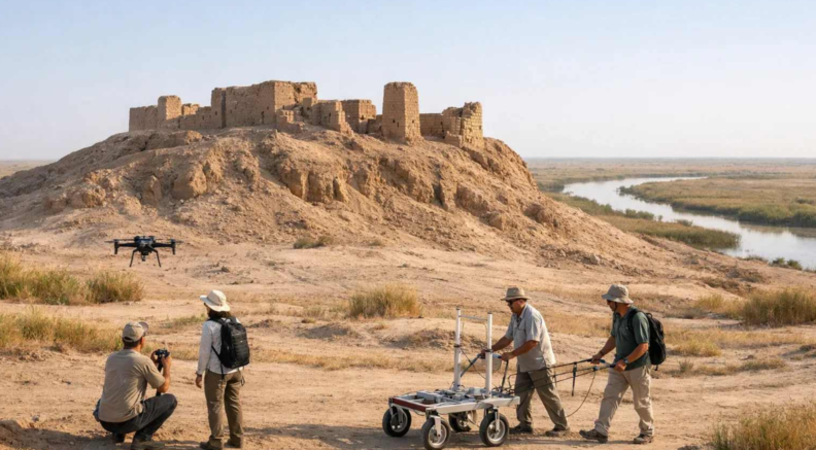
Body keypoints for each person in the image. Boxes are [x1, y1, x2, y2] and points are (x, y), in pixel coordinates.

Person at [481, 287, 569, 437]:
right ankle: (525, 425)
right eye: (508, 303)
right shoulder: (515, 316)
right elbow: (508, 338)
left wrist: (512, 354)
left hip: (540, 364)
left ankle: (562, 426)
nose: (508, 306)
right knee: (521, 394)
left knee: (548, 395)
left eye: (510, 302)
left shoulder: (532, 316)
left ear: (520, 301)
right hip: (524, 364)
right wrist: (491, 350)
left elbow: (533, 342)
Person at [580, 284, 654, 445]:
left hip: (637, 367)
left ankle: (647, 432)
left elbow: (644, 346)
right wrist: (600, 354)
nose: (607, 304)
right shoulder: (617, 315)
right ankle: (601, 431)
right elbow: (613, 338)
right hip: (618, 365)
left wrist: (626, 361)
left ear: (618, 302)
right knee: (610, 397)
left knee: (641, 401)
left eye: (609, 301)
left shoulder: (637, 318)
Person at [98, 321, 177, 450]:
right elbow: (163, 387)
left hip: (105, 421)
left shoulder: (111, 358)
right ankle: (143, 439)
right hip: (127, 422)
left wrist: (152, 364)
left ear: (122, 339)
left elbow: (132, 376)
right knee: (170, 400)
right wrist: (167, 367)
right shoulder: (142, 361)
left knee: (117, 395)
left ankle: (117, 435)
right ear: (142, 341)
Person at [197, 290, 245, 450]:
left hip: (217, 372)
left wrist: (199, 373)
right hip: (236, 370)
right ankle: (237, 439)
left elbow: (204, 352)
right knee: (234, 404)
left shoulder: (209, 325)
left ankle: (216, 442)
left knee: (215, 405)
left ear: (210, 307)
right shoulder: (235, 320)